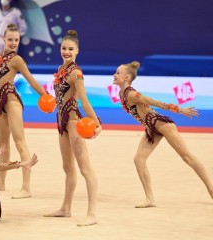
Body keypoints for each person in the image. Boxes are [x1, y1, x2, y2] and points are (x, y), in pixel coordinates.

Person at [113, 61, 213, 208]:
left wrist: (180, 110)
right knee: (139, 160)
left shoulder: (132, 94)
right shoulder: (121, 93)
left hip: (163, 125)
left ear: (127, 77)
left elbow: (155, 102)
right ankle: (150, 199)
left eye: (117, 73)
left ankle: (211, 189)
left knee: (187, 157)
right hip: (151, 129)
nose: (114, 75)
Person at [44, 30, 102, 227]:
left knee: (85, 169)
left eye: (70, 49)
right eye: (64, 48)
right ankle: (66, 208)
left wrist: (97, 122)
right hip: (61, 123)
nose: (66, 52)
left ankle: (92, 214)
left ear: (77, 51)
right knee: (67, 167)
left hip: (74, 123)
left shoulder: (76, 73)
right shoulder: (61, 69)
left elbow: (84, 100)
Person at [0, 23, 47, 199]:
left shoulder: (17, 60)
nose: (14, 43)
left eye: (16, 40)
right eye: (10, 40)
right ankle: (1, 181)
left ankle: (26, 187)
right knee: (3, 145)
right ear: (3, 40)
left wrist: (46, 96)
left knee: (19, 143)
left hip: (12, 102)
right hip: (0, 104)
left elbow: (31, 80)